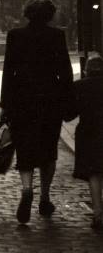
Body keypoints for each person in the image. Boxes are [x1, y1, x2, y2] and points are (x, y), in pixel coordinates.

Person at [0, 0, 73, 224]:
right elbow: (65, 72)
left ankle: (26, 189)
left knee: (25, 148)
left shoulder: (15, 35)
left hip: (22, 102)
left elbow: (8, 72)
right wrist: (66, 101)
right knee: (48, 150)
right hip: (49, 103)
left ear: (27, 14)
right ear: (49, 15)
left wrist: (5, 105)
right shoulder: (57, 36)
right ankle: (45, 197)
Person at [72, 53, 103, 231]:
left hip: (89, 134)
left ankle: (97, 212)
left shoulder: (80, 87)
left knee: (94, 173)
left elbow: (69, 114)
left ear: (86, 71)